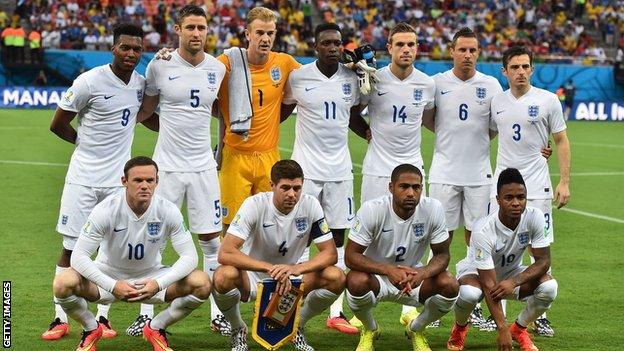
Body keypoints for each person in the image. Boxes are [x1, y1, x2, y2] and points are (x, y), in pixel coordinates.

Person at [44, 23, 149, 341]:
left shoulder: (141, 84)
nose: (131, 53)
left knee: (110, 251)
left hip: (118, 183)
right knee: (70, 249)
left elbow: (148, 113)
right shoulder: (89, 81)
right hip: (83, 181)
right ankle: (59, 318)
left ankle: (101, 319)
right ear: (113, 48)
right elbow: (58, 123)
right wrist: (83, 145)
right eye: (125, 47)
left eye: (136, 49)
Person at [53, 156, 210, 351]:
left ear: (156, 182)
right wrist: (113, 285)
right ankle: (90, 328)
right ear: (124, 182)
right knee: (62, 282)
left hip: (151, 279)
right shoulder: (105, 210)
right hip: (107, 278)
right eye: (138, 180)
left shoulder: (168, 210)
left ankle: (156, 327)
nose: (144, 186)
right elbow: (78, 256)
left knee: (201, 282)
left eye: (150, 181)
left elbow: (190, 257)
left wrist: (158, 283)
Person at [136, 4, 227, 336]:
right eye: (190, 27)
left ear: (207, 30)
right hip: (168, 167)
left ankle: (218, 313)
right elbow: (145, 112)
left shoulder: (217, 68)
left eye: (201, 27)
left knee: (211, 242)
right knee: (154, 239)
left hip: (203, 167)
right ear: (177, 30)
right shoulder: (159, 66)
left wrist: (219, 149)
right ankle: (145, 313)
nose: (196, 33)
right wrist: (170, 131)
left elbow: (222, 114)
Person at [281, 22, 367, 335]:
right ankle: (289, 306)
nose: (333, 48)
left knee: (341, 238)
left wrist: (371, 134)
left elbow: (356, 116)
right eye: (327, 43)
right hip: (306, 171)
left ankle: (336, 311)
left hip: (341, 171)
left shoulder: (352, 78)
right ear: (316, 46)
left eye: (337, 43)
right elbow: (279, 110)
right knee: (301, 238)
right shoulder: (299, 77)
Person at [351, 21, 436, 326]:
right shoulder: (373, 79)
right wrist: (367, 133)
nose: (406, 50)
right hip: (377, 169)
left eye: (411, 44)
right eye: (399, 44)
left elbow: (432, 120)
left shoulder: (427, 85)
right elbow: (352, 113)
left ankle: (408, 306)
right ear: (389, 48)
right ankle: (365, 309)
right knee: (369, 236)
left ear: (417, 47)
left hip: (412, 168)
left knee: (418, 235)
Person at [213, 160, 345, 351]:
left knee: (336, 277)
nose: (292, 194)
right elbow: (225, 252)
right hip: (254, 277)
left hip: (292, 278)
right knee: (223, 276)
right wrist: (268, 268)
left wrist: (296, 269)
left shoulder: (310, 204)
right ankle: (237, 328)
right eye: (285, 188)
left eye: (297, 188)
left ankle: (296, 325)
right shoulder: (254, 205)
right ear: (272, 186)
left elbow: (330, 253)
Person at [490, 46, 570, 337]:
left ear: (532, 69)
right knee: (499, 249)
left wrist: (564, 181)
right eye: (515, 67)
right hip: (502, 188)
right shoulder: (496, 101)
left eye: (525, 66)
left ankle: (540, 315)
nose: (521, 71)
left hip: (537, 188)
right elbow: (484, 133)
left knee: (541, 249)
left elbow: (560, 140)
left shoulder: (548, 100)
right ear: (505, 71)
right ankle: (496, 310)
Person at [345, 164, 459, 351]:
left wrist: (423, 272)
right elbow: (351, 256)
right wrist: (387, 270)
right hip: (377, 278)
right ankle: (369, 329)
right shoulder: (372, 210)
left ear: (422, 188)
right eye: (404, 186)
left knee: (450, 284)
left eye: (416, 187)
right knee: (355, 280)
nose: (410, 193)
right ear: (391, 188)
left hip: (413, 278)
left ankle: (416, 329)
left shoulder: (433, 208)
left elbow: (443, 255)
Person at [446, 168, 558, 351]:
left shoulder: (534, 216)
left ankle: (519, 329)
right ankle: (460, 326)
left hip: (510, 273)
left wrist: (514, 281)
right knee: (469, 294)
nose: (516, 203)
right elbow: (489, 283)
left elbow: (544, 261)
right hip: (476, 273)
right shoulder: (483, 230)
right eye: (509, 198)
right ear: (498, 200)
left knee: (549, 287)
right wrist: (501, 328)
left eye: (521, 197)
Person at [216, 6, 300, 234]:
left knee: (270, 225)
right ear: (247, 34)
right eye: (260, 33)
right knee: (230, 227)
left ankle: (263, 270)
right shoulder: (227, 62)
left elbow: (316, 78)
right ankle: (229, 270)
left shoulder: (284, 63)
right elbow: (200, 74)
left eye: (270, 33)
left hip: (268, 157)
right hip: (235, 156)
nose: (265, 39)